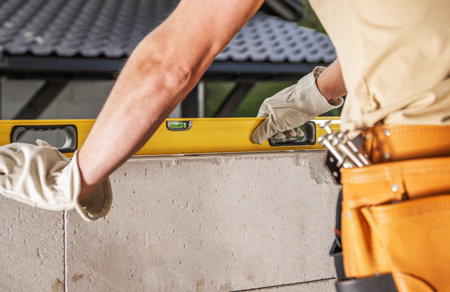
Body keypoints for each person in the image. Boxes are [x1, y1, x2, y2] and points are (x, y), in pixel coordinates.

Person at [0, 0, 449, 290]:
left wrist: (74, 177)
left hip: (415, 177)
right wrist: (312, 96)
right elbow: (414, 41)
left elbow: (171, 64)